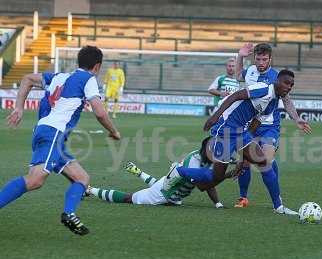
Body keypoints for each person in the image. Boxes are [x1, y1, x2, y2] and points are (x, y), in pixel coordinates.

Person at [1, 46, 121, 235]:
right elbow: (100, 112)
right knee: (35, 180)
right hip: (53, 134)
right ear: (97, 66)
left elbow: (27, 79)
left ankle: (69, 214)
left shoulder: (59, 76)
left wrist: (19, 108)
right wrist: (114, 131)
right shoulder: (88, 79)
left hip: (48, 133)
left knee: (81, 178)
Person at [166, 70, 310, 215]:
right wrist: (215, 117)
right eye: (286, 83)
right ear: (277, 81)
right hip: (226, 130)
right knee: (215, 177)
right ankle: (178, 171)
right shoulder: (263, 88)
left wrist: (245, 154)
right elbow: (235, 96)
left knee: (264, 163)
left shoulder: (273, 103)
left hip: (242, 132)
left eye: (291, 85)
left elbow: (255, 122)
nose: (289, 87)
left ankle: (279, 207)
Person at [233, 42, 306, 209]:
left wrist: (296, 118)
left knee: (264, 161)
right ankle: (243, 198)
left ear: (270, 59)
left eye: (264, 59)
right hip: (249, 124)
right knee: (245, 162)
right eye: (258, 59)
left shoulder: (276, 77)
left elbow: (286, 100)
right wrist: (240, 56)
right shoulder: (250, 71)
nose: (260, 62)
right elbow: (238, 75)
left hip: (268, 125)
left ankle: (277, 204)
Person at [86, 137, 239, 208]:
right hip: (162, 195)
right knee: (129, 198)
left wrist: (218, 204)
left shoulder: (205, 159)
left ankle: (138, 172)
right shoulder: (194, 162)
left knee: (160, 183)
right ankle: (90, 190)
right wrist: (227, 175)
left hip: (170, 189)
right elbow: (204, 186)